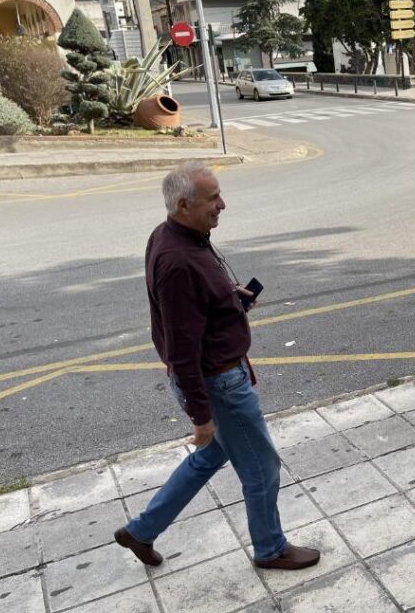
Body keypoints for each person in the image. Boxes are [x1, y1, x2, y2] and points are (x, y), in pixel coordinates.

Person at [114, 162, 319, 571]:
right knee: (262, 468)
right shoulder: (178, 262)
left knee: (209, 458)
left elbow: (196, 305)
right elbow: (182, 346)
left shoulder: (175, 235)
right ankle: (270, 548)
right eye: (213, 198)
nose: (222, 204)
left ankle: (141, 531)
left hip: (214, 377)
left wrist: (228, 297)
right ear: (183, 204)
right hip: (218, 383)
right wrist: (201, 416)